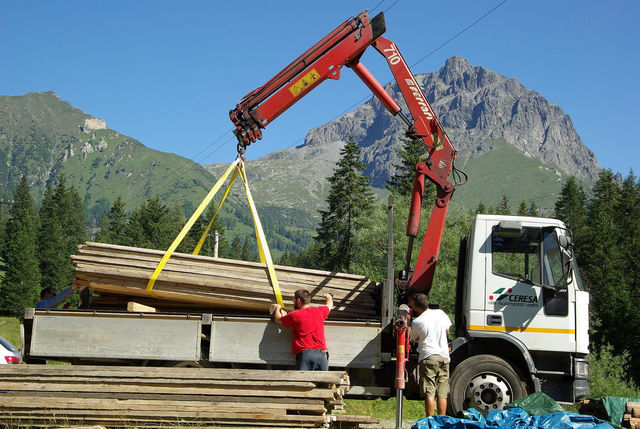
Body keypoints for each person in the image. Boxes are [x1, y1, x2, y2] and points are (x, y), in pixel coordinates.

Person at [409, 293, 452, 416]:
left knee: (430, 392)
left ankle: (430, 421)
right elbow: (447, 331)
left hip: (428, 358)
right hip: (444, 357)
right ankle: (441, 421)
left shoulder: (417, 322)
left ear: (416, 307)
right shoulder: (440, 313)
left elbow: (412, 337)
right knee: (442, 394)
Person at [272, 289, 333, 370]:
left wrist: (277, 308)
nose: (293, 302)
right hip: (321, 355)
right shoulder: (320, 311)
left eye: (294, 300)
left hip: (305, 355)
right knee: (323, 382)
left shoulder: (294, 315)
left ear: (299, 300)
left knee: (303, 382)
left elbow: (278, 319)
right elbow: (329, 305)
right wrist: (328, 297)